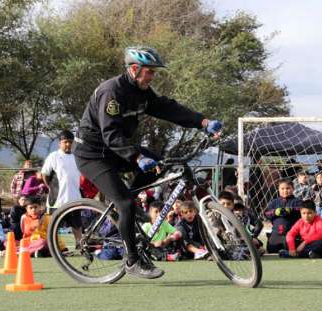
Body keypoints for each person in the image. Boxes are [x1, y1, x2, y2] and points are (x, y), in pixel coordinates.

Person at [72, 46, 222, 279]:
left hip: (116, 151)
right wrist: (137, 157)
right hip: (92, 154)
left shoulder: (142, 91)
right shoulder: (111, 92)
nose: (152, 76)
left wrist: (202, 122)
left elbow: (168, 108)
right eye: (149, 72)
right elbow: (111, 134)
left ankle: (127, 206)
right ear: (134, 69)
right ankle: (132, 260)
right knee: (126, 204)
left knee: (163, 164)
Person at [264, 179, 302, 253]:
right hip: (277, 233)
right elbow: (266, 213)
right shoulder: (274, 202)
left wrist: (291, 210)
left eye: (288, 188)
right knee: (272, 249)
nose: (285, 191)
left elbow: (302, 210)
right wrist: (274, 212)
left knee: (289, 247)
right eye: (282, 189)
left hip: (291, 234)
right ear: (278, 189)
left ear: (293, 189)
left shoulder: (297, 201)